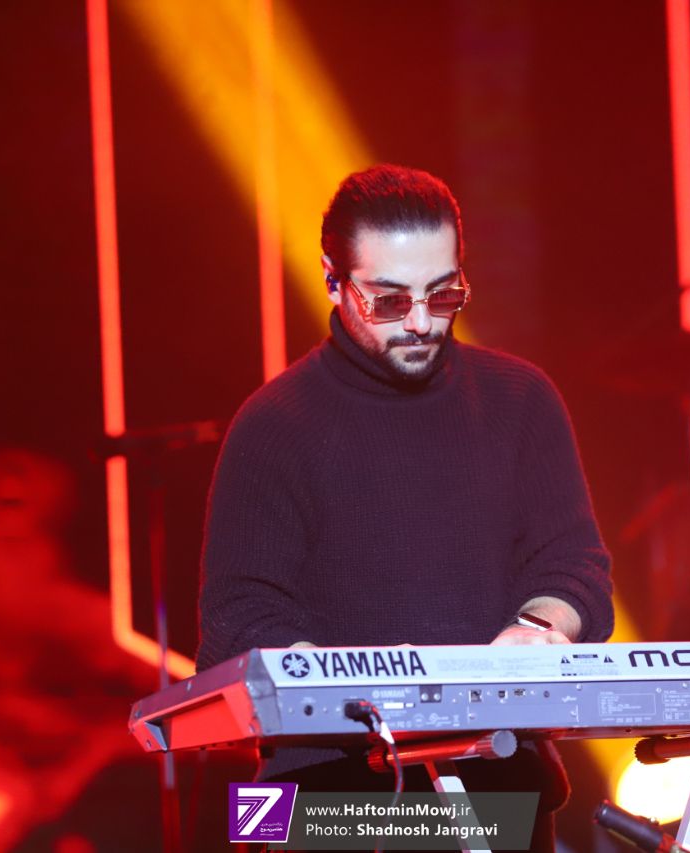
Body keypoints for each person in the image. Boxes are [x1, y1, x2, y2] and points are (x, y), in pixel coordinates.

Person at [196, 164, 613, 851]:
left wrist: (538, 629)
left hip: (499, 780)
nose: (421, 322)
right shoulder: (272, 424)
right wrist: (356, 689)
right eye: (389, 301)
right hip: (321, 803)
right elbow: (237, 617)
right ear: (333, 280)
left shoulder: (521, 400)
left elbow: (576, 568)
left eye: (443, 294)